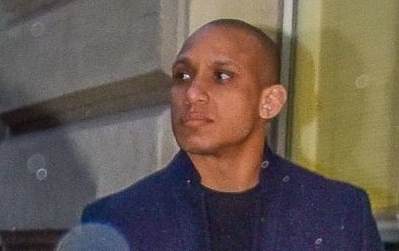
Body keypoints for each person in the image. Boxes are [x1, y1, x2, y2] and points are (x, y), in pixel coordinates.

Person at [76, 19, 383, 250]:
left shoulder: (337, 213)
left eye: (222, 76)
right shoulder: (116, 221)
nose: (193, 93)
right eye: (183, 75)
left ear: (270, 102)